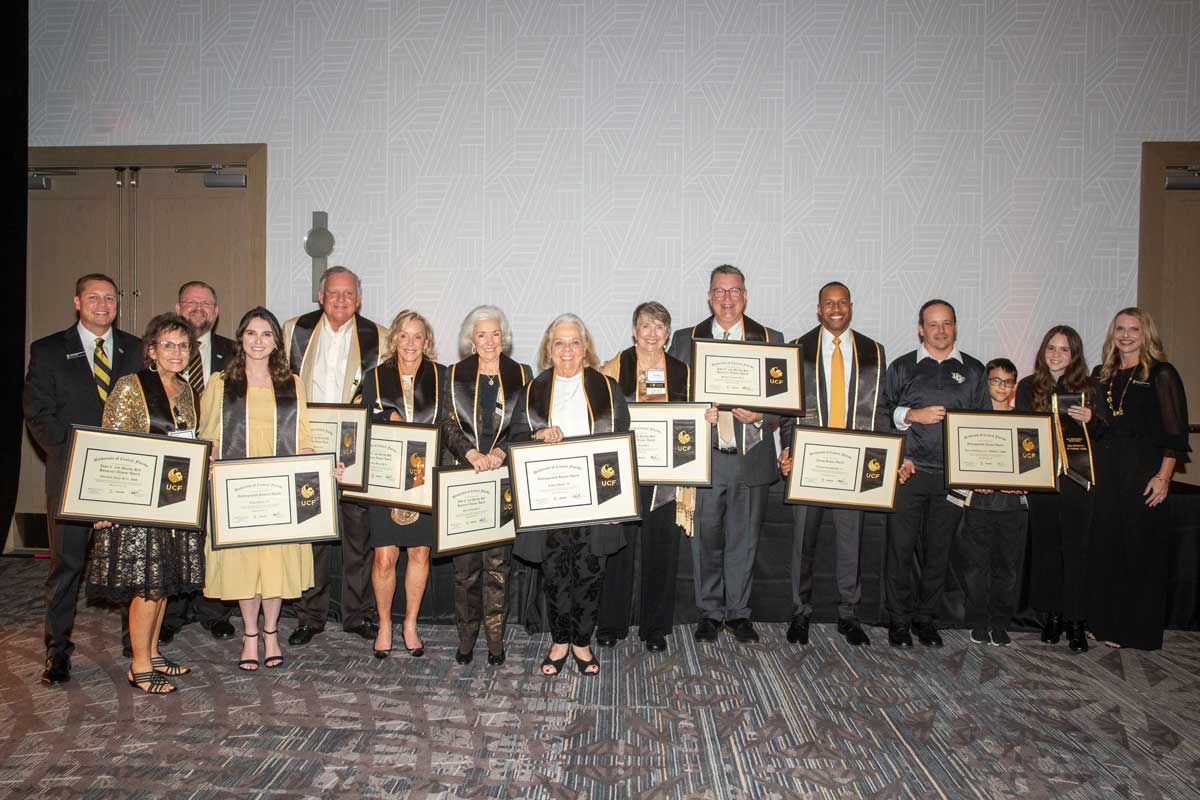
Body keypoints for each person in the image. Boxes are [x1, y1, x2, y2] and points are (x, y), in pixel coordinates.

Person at [200, 307, 336, 671]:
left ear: (276, 342)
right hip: (239, 490)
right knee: (245, 562)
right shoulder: (219, 383)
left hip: (279, 491)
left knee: (274, 563)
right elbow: (208, 435)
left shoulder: (291, 383)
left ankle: (271, 632)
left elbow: (303, 438)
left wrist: (325, 467)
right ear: (240, 339)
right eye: (251, 334)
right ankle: (248, 634)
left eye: (266, 335)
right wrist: (211, 459)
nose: (258, 342)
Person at [24, 273, 142, 686]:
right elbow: (39, 416)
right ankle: (58, 651)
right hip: (72, 475)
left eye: (110, 298)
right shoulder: (48, 350)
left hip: (126, 478)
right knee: (67, 566)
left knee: (129, 564)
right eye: (94, 297)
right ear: (77, 302)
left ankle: (136, 645)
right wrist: (79, 461)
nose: (103, 304)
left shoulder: (136, 350)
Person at [86, 313, 205, 693]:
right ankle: (138, 666)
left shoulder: (185, 388)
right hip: (139, 504)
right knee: (147, 585)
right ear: (152, 350)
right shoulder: (130, 387)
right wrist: (106, 506)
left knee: (164, 583)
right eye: (167, 345)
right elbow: (112, 447)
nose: (176, 352)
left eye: (183, 345)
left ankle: (152, 653)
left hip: (174, 501)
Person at [667, 265, 783, 644]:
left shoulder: (770, 339)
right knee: (705, 539)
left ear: (746, 296)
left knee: (744, 540)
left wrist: (763, 413)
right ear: (709, 296)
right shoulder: (686, 340)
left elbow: (788, 400)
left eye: (734, 292)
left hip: (750, 456)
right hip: (708, 457)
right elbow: (672, 396)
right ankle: (709, 612)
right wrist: (695, 412)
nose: (727, 299)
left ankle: (739, 613)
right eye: (719, 292)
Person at [510, 314, 630, 676]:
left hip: (595, 502)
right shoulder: (533, 391)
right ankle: (559, 640)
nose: (567, 350)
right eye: (559, 342)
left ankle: (582, 641)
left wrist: (617, 501)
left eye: (574, 342)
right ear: (549, 348)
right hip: (551, 502)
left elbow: (623, 444)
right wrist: (537, 435)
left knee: (591, 573)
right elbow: (515, 440)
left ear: (585, 347)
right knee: (557, 574)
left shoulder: (608, 388)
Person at [777, 282, 887, 647]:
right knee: (802, 543)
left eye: (842, 302)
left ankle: (848, 614)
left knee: (850, 542)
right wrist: (788, 451)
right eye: (829, 303)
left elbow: (880, 412)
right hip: (811, 463)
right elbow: (788, 409)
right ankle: (800, 612)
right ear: (819, 309)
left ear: (850, 306)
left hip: (853, 466)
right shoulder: (798, 349)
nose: (836, 308)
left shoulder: (873, 351)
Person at [282, 266, 386, 646]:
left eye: (348, 294)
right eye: (333, 293)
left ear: (358, 299)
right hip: (309, 447)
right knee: (314, 536)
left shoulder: (378, 336)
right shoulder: (295, 330)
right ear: (320, 296)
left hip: (354, 452)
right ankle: (310, 616)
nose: (340, 300)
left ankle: (356, 614)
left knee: (358, 537)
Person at [880, 299, 988, 648]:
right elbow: (881, 415)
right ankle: (898, 620)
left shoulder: (974, 370)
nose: (940, 330)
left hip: (951, 479)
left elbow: (985, 424)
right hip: (907, 474)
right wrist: (911, 416)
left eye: (947, 323)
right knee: (900, 549)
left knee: (939, 552)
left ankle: (926, 619)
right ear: (920, 329)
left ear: (955, 327)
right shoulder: (901, 367)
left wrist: (976, 472)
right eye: (933, 324)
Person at [1088, 308, 1189, 650]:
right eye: (1120, 328)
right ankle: (1105, 624)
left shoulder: (1161, 373)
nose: (1126, 335)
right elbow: (1102, 429)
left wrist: (1164, 477)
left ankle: (1135, 631)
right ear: (1112, 333)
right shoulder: (1102, 374)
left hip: (1144, 474)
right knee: (1108, 549)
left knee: (1139, 551)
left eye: (1134, 329)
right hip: (1107, 473)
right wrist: (1089, 418)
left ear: (1146, 334)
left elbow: (1174, 435)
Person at [596, 302, 690, 654]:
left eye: (660, 327)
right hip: (625, 471)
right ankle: (611, 624)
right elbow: (600, 412)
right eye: (645, 326)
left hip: (666, 475)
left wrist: (706, 417)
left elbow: (690, 418)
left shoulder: (681, 371)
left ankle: (655, 628)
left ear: (667, 333)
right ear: (634, 330)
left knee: (662, 551)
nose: (652, 333)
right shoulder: (617, 365)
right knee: (619, 549)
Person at [442, 306, 534, 666]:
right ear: (471, 340)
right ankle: (466, 639)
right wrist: (469, 454)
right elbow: (447, 425)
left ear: (503, 337)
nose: (490, 341)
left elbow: (526, 424)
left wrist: (499, 452)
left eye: (495, 334)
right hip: (465, 479)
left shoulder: (521, 374)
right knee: (465, 570)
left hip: (502, 478)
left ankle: (496, 641)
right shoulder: (454, 376)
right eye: (482, 335)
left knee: (498, 567)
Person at [359, 310, 448, 658]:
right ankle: (384, 624)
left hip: (425, 477)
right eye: (404, 335)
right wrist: (387, 416)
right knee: (384, 556)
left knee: (420, 552)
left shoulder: (441, 377)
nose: (411, 343)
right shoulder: (375, 377)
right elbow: (361, 421)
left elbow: (449, 423)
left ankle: (410, 623)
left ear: (427, 342)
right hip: (385, 478)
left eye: (418, 336)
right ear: (394, 338)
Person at [154, 281, 238, 643]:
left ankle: (212, 609)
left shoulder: (233, 352)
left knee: (215, 536)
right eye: (191, 303)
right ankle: (171, 613)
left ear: (216, 312)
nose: (199, 309)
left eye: (206, 303)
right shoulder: (162, 353)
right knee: (175, 536)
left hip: (220, 460)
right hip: (173, 462)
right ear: (178, 307)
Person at [1015, 326, 1106, 652]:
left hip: (1077, 482)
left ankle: (1076, 621)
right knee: (1047, 552)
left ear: (1075, 354)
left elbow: (1104, 432)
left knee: (1077, 553)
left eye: (1064, 349)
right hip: (1043, 483)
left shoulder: (1089, 388)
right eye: (1051, 348)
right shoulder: (1028, 387)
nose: (1056, 354)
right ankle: (1053, 615)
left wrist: (1091, 420)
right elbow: (1021, 433)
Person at [959, 358, 1028, 647]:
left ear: (1013, 386)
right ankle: (978, 622)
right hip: (979, 504)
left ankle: (1000, 623)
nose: (1002, 387)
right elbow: (961, 460)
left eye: (1008, 382)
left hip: (1014, 507)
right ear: (985, 383)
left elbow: (1031, 463)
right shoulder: (972, 419)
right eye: (996, 380)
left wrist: (1022, 483)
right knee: (977, 568)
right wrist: (973, 479)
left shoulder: (1024, 420)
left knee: (1007, 569)